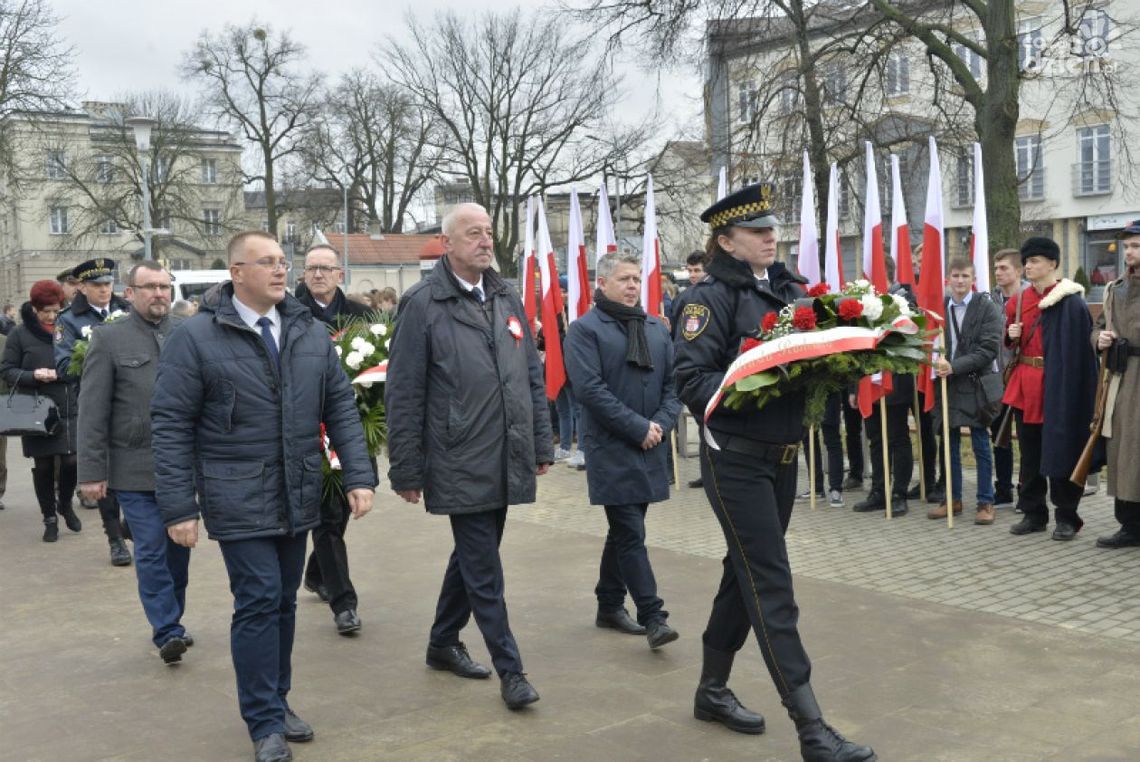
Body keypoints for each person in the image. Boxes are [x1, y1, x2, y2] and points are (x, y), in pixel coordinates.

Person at [152, 231, 375, 762]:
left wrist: (359, 476)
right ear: (236, 272)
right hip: (236, 494)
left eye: (283, 261)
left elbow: (340, 405)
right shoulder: (197, 337)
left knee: (282, 604)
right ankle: (264, 722)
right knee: (257, 601)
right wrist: (179, 506)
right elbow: (170, 424)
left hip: (297, 489)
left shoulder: (307, 331)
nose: (281, 270)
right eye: (267, 262)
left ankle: (277, 701)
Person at [674, 183, 875, 758]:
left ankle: (711, 689)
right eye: (756, 230)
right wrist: (765, 381)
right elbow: (692, 382)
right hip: (735, 460)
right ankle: (812, 729)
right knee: (771, 584)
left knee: (743, 573)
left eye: (771, 227)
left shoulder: (789, 291)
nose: (770, 236)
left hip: (786, 460)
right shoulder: (704, 301)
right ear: (725, 241)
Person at [386, 203, 553, 711]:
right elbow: (404, 392)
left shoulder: (504, 296)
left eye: (488, 233)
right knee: (485, 570)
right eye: (473, 234)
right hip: (458, 457)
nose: (485, 241)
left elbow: (530, 376)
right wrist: (406, 468)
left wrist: (541, 442)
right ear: (448, 243)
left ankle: (441, 642)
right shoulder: (422, 305)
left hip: (507, 452)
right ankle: (512, 671)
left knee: (473, 557)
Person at [565, 250, 682, 648]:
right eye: (624, 280)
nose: (632, 286)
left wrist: (661, 425)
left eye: (636, 279)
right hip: (612, 447)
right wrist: (637, 428)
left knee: (625, 531)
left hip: (650, 444)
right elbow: (590, 391)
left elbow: (673, 385)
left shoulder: (655, 328)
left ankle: (609, 604)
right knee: (630, 532)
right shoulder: (585, 329)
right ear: (602, 284)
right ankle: (654, 616)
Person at [76, 262, 192, 663]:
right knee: (151, 549)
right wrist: (91, 472)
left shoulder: (186, 333)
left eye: (164, 286)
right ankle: (167, 629)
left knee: (179, 550)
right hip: (134, 467)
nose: (159, 293)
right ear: (131, 292)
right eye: (150, 287)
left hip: (182, 468)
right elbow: (91, 410)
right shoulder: (109, 339)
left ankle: (171, 616)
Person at [295, 244, 372, 635]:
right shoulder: (289, 313)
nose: (318, 275)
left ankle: (315, 571)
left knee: (341, 513)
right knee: (326, 515)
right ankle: (344, 603)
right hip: (309, 431)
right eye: (311, 269)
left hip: (353, 426)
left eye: (326, 268)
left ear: (340, 274)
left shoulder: (362, 316)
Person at [1004, 237, 1098, 541]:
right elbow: (1011, 344)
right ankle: (1033, 513)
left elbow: (1081, 352)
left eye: (1035, 261)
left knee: (1062, 450)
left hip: (1058, 387)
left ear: (1052, 264)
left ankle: (1067, 517)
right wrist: (1011, 334)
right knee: (1029, 453)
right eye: (1027, 261)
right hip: (1026, 384)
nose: (1029, 266)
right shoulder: (1018, 300)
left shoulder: (1071, 301)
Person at [55, 259, 133, 566]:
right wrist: (100, 359)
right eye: (97, 285)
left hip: (133, 401)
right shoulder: (69, 320)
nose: (104, 290)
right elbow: (64, 366)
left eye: (107, 284)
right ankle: (115, 538)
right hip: (97, 404)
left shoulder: (127, 310)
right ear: (82, 288)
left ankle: (132, 525)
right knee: (107, 475)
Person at [0, 281, 82, 542]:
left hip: (68, 404)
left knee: (72, 461)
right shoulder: (20, 335)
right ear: (34, 308)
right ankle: (49, 518)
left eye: (55, 310)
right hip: (35, 409)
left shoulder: (70, 329)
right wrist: (33, 375)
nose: (50, 316)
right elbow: (7, 370)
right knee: (44, 466)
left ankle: (65, 504)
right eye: (44, 310)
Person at [928, 257, 1003, 525]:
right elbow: (930, 343)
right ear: (948, 279)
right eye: (956, 276)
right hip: (947, 385)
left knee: (981, 443)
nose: (960, 281)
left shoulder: (987, 308)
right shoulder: (939, 308)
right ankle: (952, 498)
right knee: (949, 445)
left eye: (965, 276)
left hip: (976, 384)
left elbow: (988, 349)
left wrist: (953, 366)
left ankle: (985, 501)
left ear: (973, 279)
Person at [852, 258, 917, 518]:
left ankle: (899, 493)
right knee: (875, 439)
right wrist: (855, 389)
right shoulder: (862, 305)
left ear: (884, 275)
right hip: (869, 380)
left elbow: (910, 335)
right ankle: (878, 490)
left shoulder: (905, 300)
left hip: (895, 379)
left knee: (897, 437)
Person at [1093, 221, 1140, 548]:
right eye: (1126, 247)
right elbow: (1095, 330)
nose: (1129, 252)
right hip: (1123, 377)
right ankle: (1129, 526)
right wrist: (1101, 338)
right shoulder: (1115, 288)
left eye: (1135, 246)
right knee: (1123, 449)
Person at [671, 250, 709, 489]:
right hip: (689, 368)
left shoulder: (713, 295)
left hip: (709, 369)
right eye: (690, 270)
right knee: (704, 427)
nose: (693, 274)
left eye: (698, 270)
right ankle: (707, 472)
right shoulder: (684, 298)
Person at [989, 249, 1025, 508]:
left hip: (1023, 375)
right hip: (997, 376)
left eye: (1004, 268)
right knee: (999, 434)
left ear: (1018, 270)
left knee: (1026, 436)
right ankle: (1003, 488)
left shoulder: (1031, 298)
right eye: (996, 268)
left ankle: (1027, 490)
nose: (999, 273)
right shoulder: (990, 300)